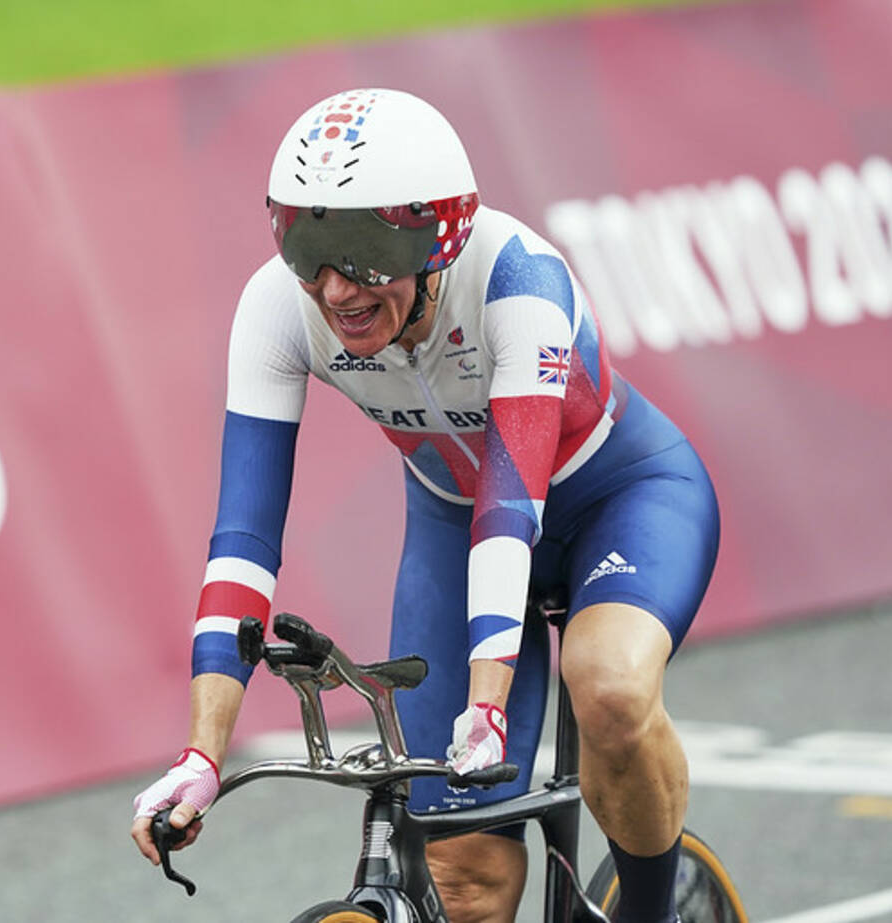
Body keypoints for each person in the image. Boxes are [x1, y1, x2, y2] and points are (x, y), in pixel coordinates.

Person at [130, 87, 719, 923]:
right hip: (454, 523)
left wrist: (486, 703)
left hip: (617, 503)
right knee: (464, 876)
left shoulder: (518, 280)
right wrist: (201, 754)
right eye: (308, 243)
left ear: (440, 236)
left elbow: (510, 509)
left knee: (611, 690)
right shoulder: (276, 307)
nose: (335, 288)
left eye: (366, 247)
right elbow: (243, 542)